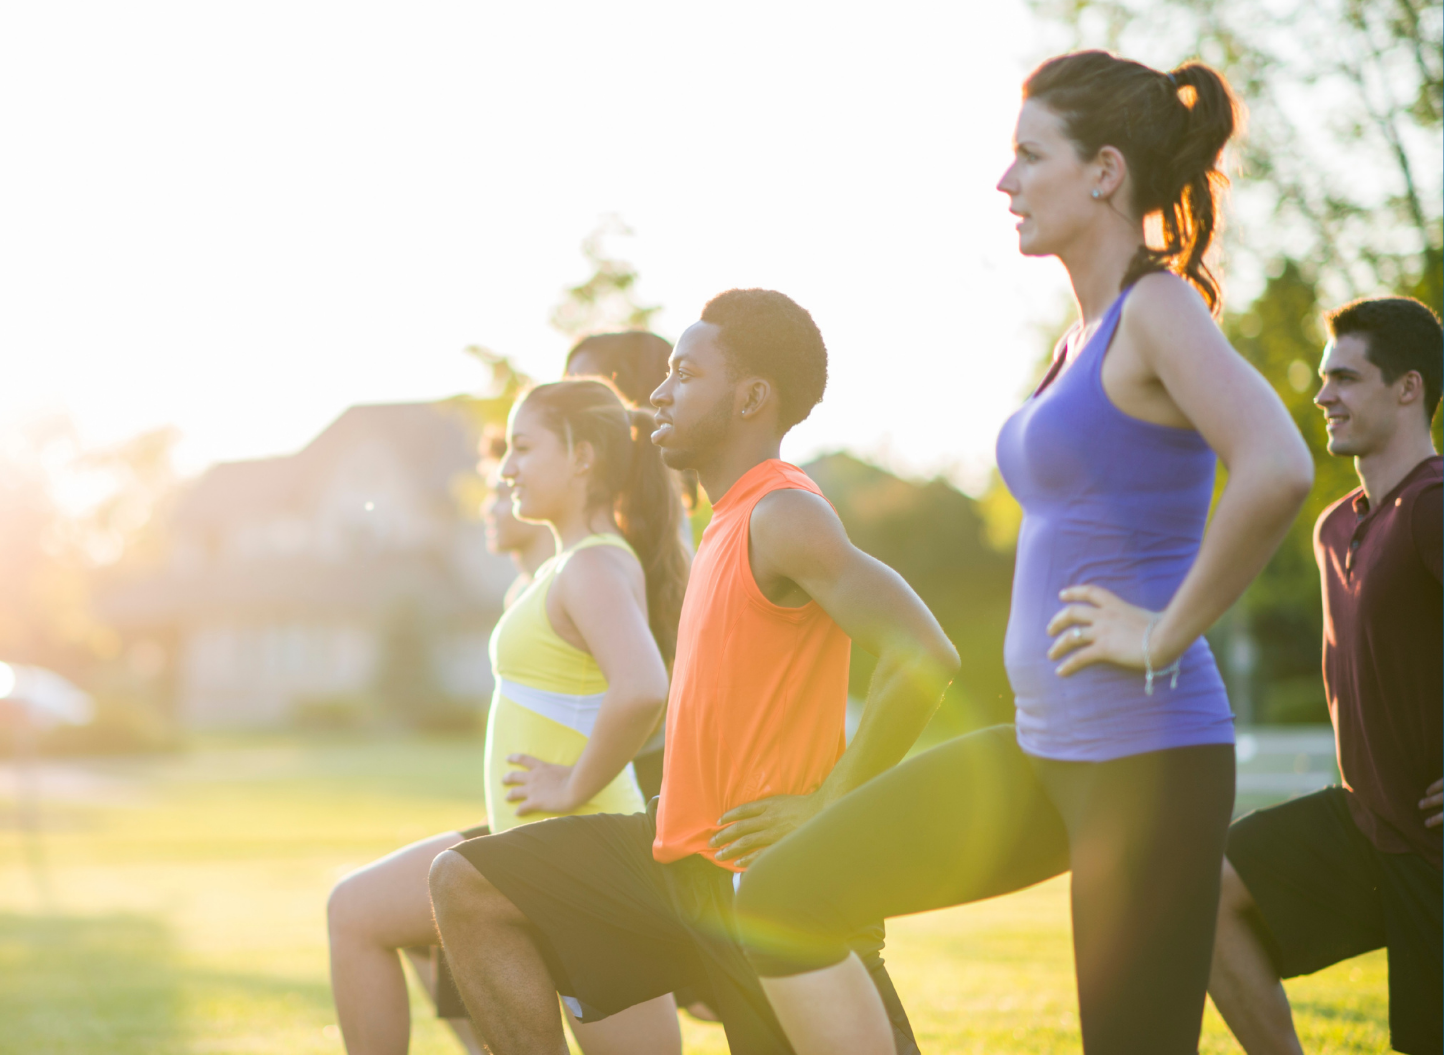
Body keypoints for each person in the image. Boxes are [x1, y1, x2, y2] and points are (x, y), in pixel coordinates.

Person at [731, 51, 1315, 1055]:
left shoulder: (1157, 308)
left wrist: (1166, 629)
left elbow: (1277, 464)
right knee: (780, 896)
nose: (1004, 183)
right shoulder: (1077, 334)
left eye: (1027, 155)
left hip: (1147, 756)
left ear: (1103, 171)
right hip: (1046, 747)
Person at [428, 289, 955, 1055]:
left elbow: (924, 654)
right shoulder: (722, 523)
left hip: (772, 879)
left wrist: (827, 805)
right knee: (466, 884)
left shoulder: (784, 514)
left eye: (684, 372)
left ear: (750, 398)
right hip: (675, 861)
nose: (659, 392)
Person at [326, 380, 688, 1054]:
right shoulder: (566, 566)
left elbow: (643, 686)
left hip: (584, 856)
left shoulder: (594, 566)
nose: (508, 467)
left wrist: (573, 783)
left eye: (524, 447)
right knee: (356, 910)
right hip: (527, 848)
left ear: (582, 457)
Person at [1208, 296, 1440, 1055]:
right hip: (1363, 825)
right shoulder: (1334, 524)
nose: (1322, 394)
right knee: (1198, 896)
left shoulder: (1434, 506)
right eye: (1323, 376)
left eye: (1345, 376)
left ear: (1408, 387)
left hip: (1435, 851)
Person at [564, 330, 685, 805]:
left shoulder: (643, 525)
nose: (563, 395)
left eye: (581, 382)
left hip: (641, 766)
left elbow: (650, 686)